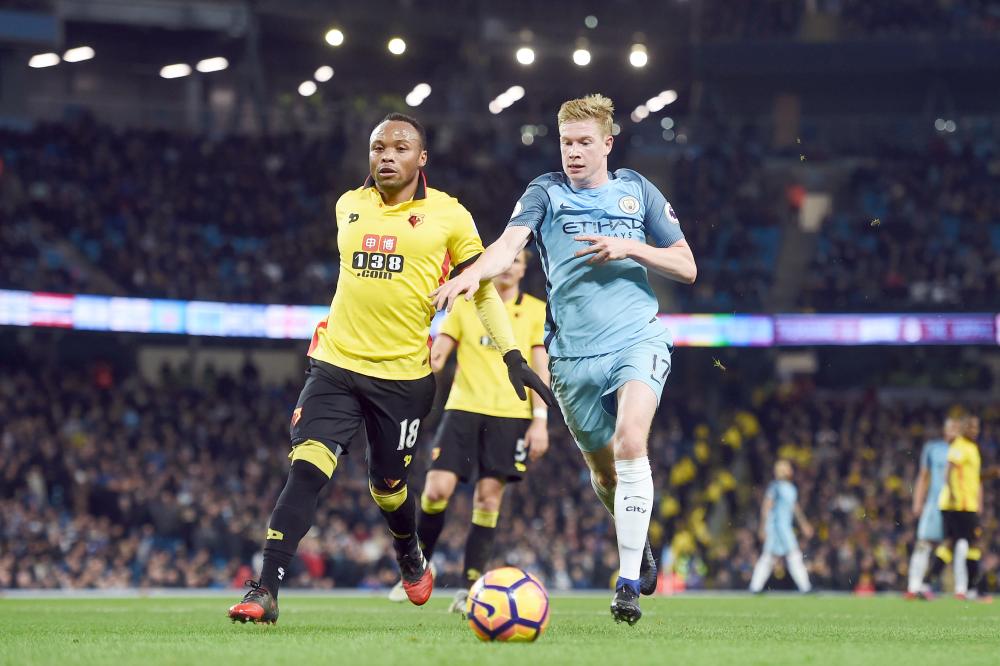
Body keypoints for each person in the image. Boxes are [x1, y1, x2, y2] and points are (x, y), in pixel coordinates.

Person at [228, 112, 554, 624]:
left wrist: (512, 355)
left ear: (422, 158)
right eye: (378, 147)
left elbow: (481, 288)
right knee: (308, 467)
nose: (387, 155)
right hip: (335, 364)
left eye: (400, 148)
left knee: (388, 487)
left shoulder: (449, 215)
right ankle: (265, 588)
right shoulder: (349, 205)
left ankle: (410, 554)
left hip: (402, 379)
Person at [431, 94, 697, 625]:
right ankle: (636, 540)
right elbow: (508, 246)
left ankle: (627, 584)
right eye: (566, 143)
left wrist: (630, 248)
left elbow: (686, 266)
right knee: (604, 473)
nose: (573, 152)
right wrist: (471, 274)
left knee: (630, 440)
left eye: (583, 143)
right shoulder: (545, 191)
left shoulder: (637, 190)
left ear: (607, 143)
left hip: (636, 338)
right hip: (572, 357)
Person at [388, 249, 551, 612]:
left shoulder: (536, 310)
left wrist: (540, 421)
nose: (508, 267)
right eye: (505, 260)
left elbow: (540, 368)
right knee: (435, 490)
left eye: (516, 262)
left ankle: (469, 588)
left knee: (488, 499)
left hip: (510, 413)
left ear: (524, 270)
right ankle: (418, 567)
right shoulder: (466, 303)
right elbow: (438, 356)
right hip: (462, 408)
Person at [936, 414, 985, 600]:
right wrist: (953, 494)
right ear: (964, 428)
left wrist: (978, 500)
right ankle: (970, 588)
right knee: (968, 543)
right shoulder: (960, 446)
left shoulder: (972, 447)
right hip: (961, 505)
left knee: (956, 543)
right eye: (971, 427)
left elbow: (974, 478)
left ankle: (964, 588)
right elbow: (949, 470)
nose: (975, 430)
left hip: (969, 504)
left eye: (977, 427)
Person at [904, 418, 953, 599]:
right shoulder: (933, 448)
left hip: (956, 506)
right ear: (945, 430)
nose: (954, 432)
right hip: (935, 503)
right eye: (951, 428)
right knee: (924, 542)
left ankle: (958, 588)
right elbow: (923, 476)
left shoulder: (965, 449)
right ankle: (914, 585)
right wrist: (918, 502)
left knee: (954, 545)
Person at [748, 460, 814, 594]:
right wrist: (763, 527)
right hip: (776, 528)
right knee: (786, 556)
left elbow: (794, 508)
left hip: (785, 528)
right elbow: (766, 507)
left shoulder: (791, 488)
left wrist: (804, 524)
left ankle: (755, 587)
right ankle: (805, 587)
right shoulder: (775, 487)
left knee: (773, 558)